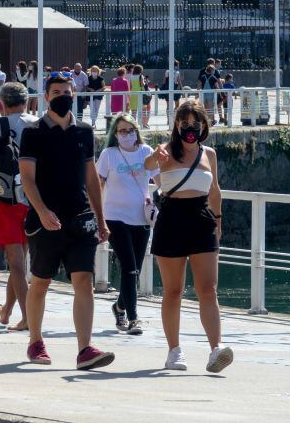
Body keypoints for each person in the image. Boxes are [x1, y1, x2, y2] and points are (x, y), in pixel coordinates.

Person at [19, 75, 113, 370]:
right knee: (41, 282)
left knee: (83, 280)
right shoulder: (33, 132)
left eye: (67, 91)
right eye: (57, 92)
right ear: (46, 96)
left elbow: (91, 178)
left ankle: (85, 349)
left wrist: (101, 219)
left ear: (75, 94)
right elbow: (27, 179)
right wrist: (43, 211)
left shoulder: (84, 131)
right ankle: (36, 341)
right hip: (45, 219)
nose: (62, 96)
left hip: (80, 218)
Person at [144, 99, 232, 373]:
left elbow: (215, 190)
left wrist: (217, 220)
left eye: (195, 123)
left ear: (204, 125)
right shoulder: (166, 151)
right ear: (176, 125)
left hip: (202, 220)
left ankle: (216, 348)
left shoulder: (210, 154)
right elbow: (146, 165)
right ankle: (174, 351)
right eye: (184, 124)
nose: (190, 128)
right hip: (171, 219)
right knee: (173, 290)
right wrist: (155, 157)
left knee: (208, 289)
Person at [0, 83, 37, 332]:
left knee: (15, 263)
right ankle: (8, 310)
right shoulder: (38, 123)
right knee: (20, 261)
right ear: (27, 101)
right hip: (35, 200)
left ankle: (27, 318)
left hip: (8, 199)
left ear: (2, 102)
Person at [96, 113, 157, 336]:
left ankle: (119, 306)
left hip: (140, 218)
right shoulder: (108, 155)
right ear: (115, 134)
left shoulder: (147, 153)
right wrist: (98, 217)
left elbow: (159, 181)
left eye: (131, 130)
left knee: (135, 270)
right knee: (129, 268)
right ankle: (133, 319)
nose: (127, 135)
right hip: (114, 217)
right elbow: (98, 185)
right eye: (122, 131)